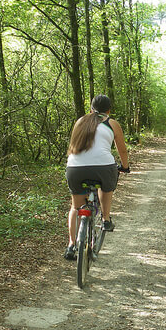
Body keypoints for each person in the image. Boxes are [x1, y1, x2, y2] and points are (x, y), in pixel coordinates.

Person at [64, 95, 130, 260]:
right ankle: (106, 219)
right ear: (109, 110)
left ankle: (71, 245)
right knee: (106, 187)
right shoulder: (111, 123)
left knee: (75, 207)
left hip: (75, 167)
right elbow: (122, 149)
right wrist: (125, 167)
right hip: (103, 167)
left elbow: (72, 146)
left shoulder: (80, 121)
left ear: (91, 109)